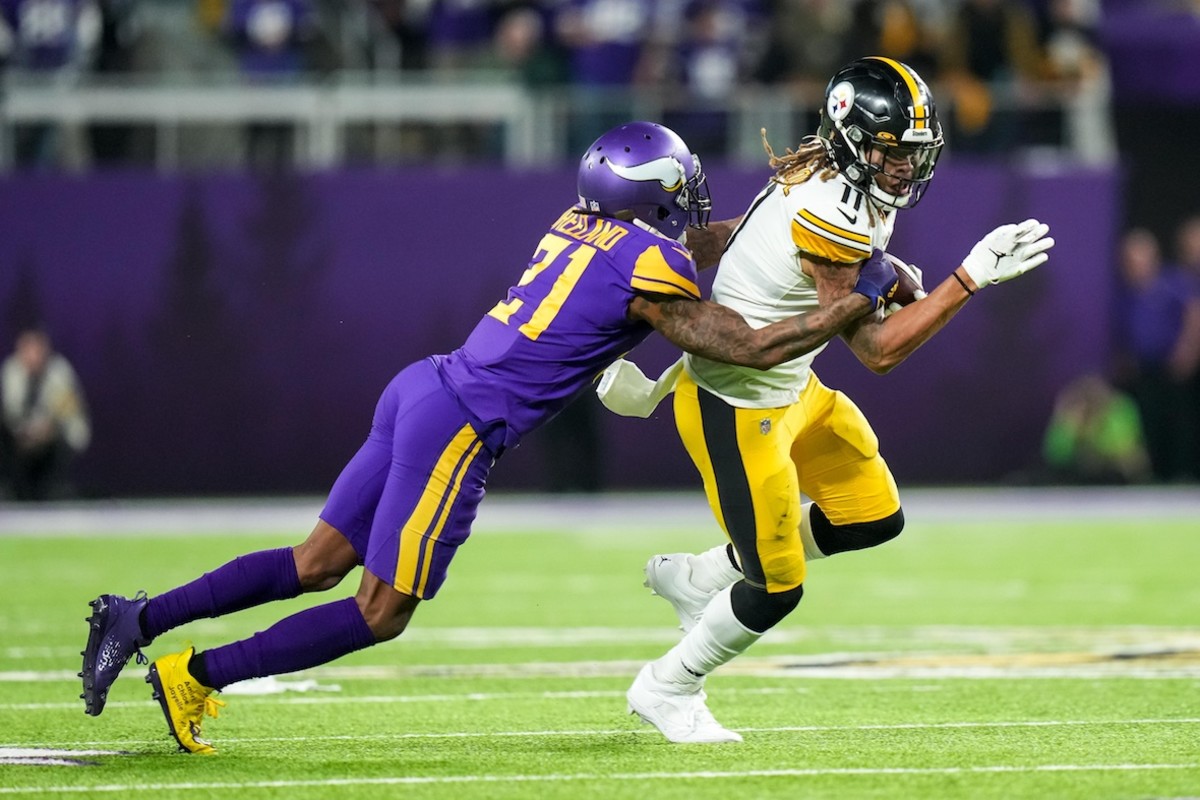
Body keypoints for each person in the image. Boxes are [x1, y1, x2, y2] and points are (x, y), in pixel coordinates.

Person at [77, 120, 908, 754]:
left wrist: (776, 220)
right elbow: (757, 343)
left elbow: (700, 239)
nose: (693, 198)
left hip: (423, 387)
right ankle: (194, 676)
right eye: (682, 186)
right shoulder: (647, 270)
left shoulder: (582, 225)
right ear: (654, 196)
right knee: (379, 611)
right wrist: (860, 294)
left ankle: (137, 617)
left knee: (315, 561)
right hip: (462, 426)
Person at [600, 57, 1055, 743]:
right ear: (852, 140)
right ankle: (669, 686)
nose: (904, 166)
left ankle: (701, 576)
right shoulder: (832, 204)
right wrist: (967, 280)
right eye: (891, 150)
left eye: (914, 152)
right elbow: (876, 351)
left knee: (873, 517)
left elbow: (777, 246)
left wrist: (888, 274)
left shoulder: (830, 174)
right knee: (775, 590)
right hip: (736, 409)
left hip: (794, 390)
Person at [1113, 227, 1200, 482]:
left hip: (1174, 365)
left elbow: (1193, 314)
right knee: (1149, 421)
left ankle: (1184, 472)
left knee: (1180, 421)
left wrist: (1187, 350)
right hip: (1145, 368)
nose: (1134, 263)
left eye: (1139, 256)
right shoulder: (1128, 292)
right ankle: (1156, 474)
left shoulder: (1172, 282)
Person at [0, 328, 91, 500]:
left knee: (59, 440)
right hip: (21, 436)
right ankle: (10, 490)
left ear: (45, 351)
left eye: (36, 350)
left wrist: (44, 430)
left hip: (55, 435)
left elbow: (67, 413)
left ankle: (53, 490)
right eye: (27, 350)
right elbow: (10, 411)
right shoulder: (11, 371)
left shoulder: (60, 371)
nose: (32, 356)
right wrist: (24, 431)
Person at [1041, 373, 1149, 485]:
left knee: (1132, 461)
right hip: (1077, 473)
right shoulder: (1070, 413)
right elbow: (1054, 455)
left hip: (1112, 469)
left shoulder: (1118, 409)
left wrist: (1093, 433)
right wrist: (1071, 429)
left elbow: (1124, 447)